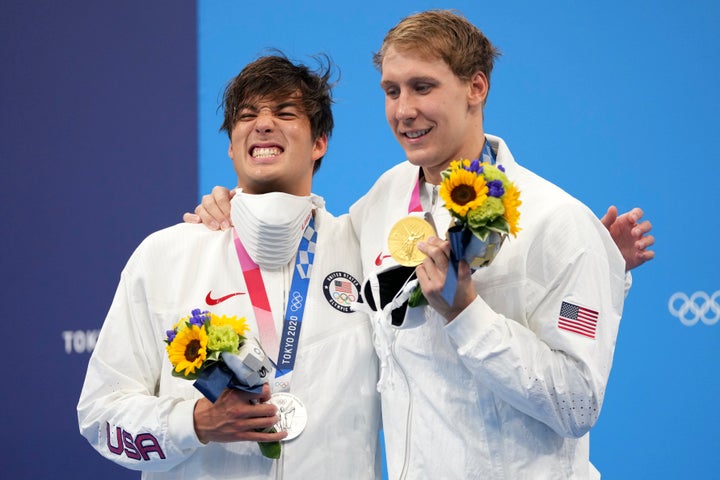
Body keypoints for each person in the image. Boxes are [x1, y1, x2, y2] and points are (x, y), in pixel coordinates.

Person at [184, 11, 655, 479]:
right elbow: (308, 242)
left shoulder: (555, 220)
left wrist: (466, 314)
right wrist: (235, 207)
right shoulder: (385, 198)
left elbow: (577, 405)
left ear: (476, 87)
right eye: (392, 91)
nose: (403, 109)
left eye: (422, 87)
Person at [77, 54, 381, 479]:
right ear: (232, 145)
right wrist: (195, 423)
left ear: (319, 142)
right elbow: (99, 413)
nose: (263, 123)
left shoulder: (362, 248)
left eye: (285, 112)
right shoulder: (166, 254)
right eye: (247, 115)